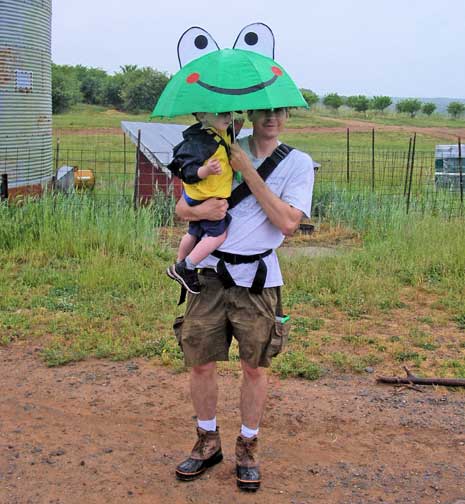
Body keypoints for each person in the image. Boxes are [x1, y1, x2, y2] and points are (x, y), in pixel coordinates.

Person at [172, 107, 314, 492]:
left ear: (287, 116)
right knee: (200, 362)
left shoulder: (297, 164)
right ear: (249, 113)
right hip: (209, 275)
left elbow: (287, 222)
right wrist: (201, 208)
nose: (270, 118)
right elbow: (181, 206)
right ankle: (207, 442)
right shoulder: (217, 144)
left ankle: (248, 447)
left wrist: (247, 170)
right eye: (263, 111)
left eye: (278, 112)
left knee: (255, 367)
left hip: (258, 280)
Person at [166, 111, 242, 294]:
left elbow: (229, 135)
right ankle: (187, 267)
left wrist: (237, 123)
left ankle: (179, 263)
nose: (227, 117)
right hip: (206, 197)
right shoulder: (200, 141)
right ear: (202, 116)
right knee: (218, 236)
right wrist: (206, 170)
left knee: (193, 233)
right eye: (220, 114)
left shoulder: (218, 131)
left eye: (229, 113)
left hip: (201, 196)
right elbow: (188, 172)